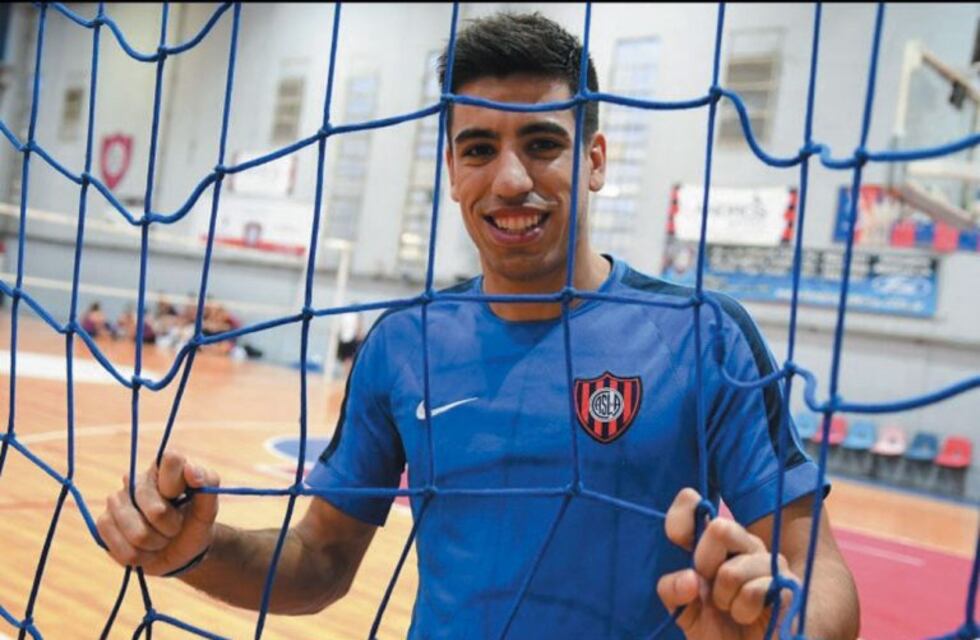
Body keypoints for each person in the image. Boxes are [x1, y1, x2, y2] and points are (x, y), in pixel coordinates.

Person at [96, 12, 859, 639]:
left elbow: (816, 565)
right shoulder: (404, 346)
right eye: (480, 148)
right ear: (453, 169)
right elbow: (320, 561)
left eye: (542, 144)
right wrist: (195, 551)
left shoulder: (703, 335)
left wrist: (786, 627)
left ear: (594, 158)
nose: (512, 180)